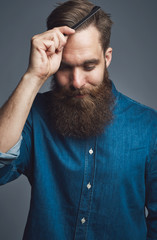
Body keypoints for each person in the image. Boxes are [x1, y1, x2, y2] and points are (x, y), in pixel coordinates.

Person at [0, 0, 157, 239]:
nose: (76, 81)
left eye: (89, 66)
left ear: (107, 58)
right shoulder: (34, 115)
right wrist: (33, 76)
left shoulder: (149, 127)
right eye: (65, 67)